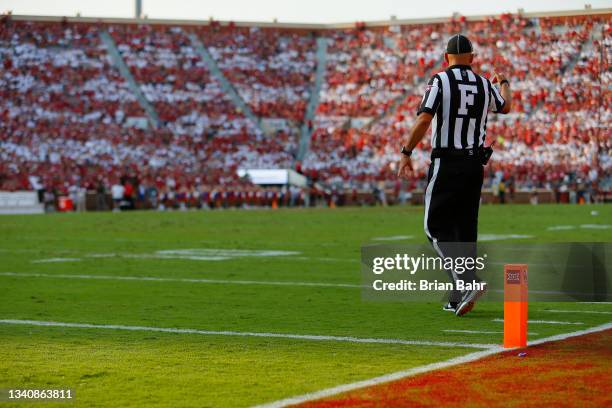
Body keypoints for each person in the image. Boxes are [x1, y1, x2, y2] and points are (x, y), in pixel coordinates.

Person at [397, 34, 513, 316]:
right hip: (474, 166)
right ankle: (457, 295)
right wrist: (505, 84)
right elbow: (505, 106)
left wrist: (406, 151)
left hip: (447, 162)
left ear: (445, 58)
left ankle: (466, 282)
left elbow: (424, 118)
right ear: (472, 58)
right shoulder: (485, 84)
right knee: (464, 232)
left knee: (434, 228)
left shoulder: (440, 81)